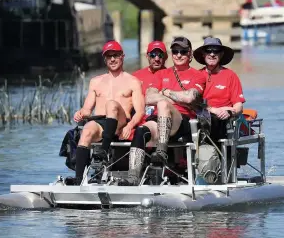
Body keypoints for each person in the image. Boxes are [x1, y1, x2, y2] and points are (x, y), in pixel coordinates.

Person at [119, 36, 207, 186]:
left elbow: (190, 98)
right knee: (141, 130)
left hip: (182, 121)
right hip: (160, 118)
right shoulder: (162, 74)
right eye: (175, 51)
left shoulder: (198, 75)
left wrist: (166, 93)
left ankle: (161, 153)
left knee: (163, 104)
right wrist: (177, 96)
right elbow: (149, 97)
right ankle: (133, 177)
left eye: (183, 52)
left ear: (190, 54)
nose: (179, 55)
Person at [72, 40, 145, 185]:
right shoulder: (95, 81)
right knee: (86, 131)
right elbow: (87, 108)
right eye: (109, 56)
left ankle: (103, 152)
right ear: (105, 59)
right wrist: (81, 112)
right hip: (101, 122)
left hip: (121, 121)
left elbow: (140, 111)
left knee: (111, 104)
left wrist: (130, 126)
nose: (112, 59)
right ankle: (78, 179)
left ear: (122, 57)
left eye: (116, 55)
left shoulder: (133, 81)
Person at [118, 41, 168, 186]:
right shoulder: (136, 77)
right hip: (137, 119)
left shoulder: (170, 75)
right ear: (147, 56)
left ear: (165, 57)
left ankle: (139, 176)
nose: (156, 58)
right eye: (153, 55)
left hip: (159, 122)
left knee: (143, 130)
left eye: (160, 55)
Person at [193, 37, 245, 141]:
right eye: (208, 50)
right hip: (203, 117)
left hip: (224, 120)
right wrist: (213, 110)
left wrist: (230, 112)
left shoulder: (230, 75)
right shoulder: (196, 75)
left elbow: (239, 106)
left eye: (216, 51)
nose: (212, 54)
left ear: (221, 55)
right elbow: (193, 103)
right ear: (203, 54)